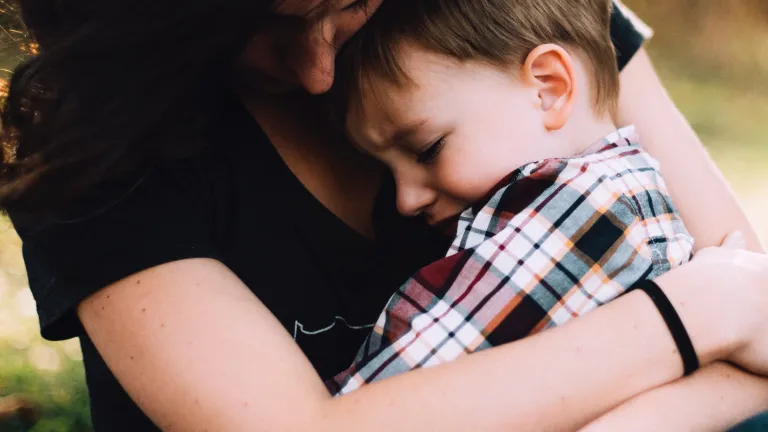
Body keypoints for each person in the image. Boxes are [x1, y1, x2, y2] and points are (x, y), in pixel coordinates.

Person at [0, 0, 766, 431]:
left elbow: (759, 336)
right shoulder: (93, 141)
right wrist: (691, 315)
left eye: (340, 7)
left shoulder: (514, 24)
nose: (317, 73)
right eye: (256, 29)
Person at [325, 0, 696, 394]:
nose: (405, 200)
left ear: (549, 89)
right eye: (386, 169)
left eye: (428, 149)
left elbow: (393, 393)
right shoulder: (622, 192)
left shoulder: (582, 212)